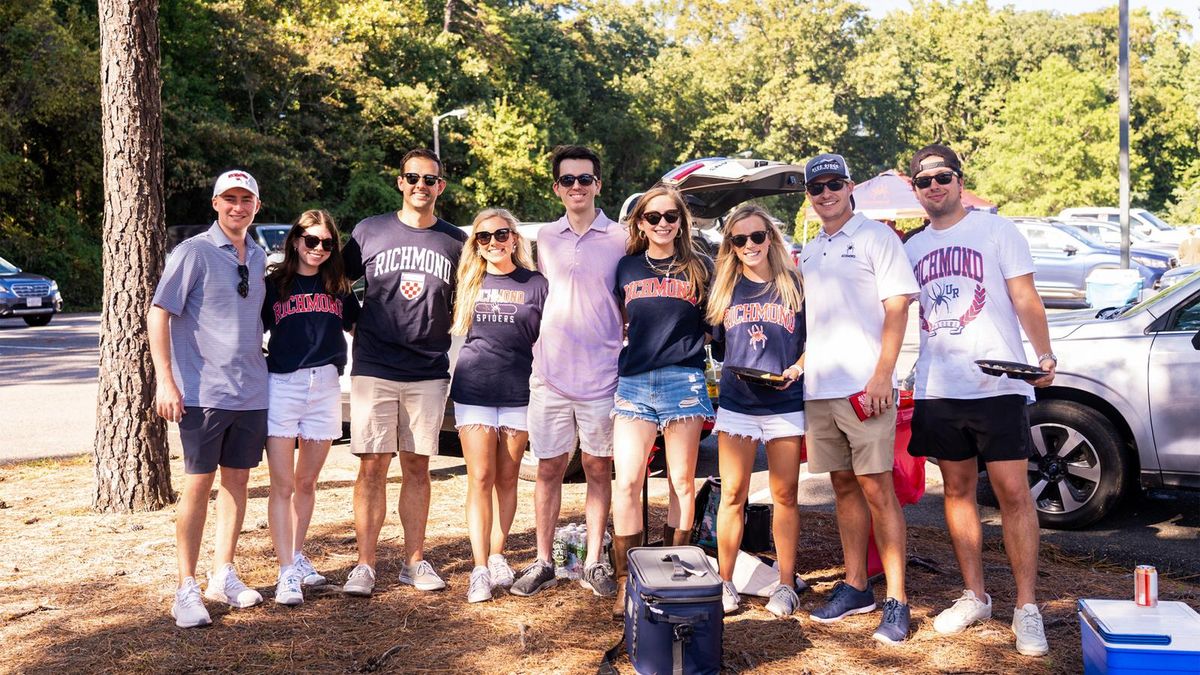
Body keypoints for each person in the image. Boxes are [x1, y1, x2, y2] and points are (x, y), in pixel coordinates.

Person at [904, 144, 1055, 657]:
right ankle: (975, 595)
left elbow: (1025, 297)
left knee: (1014, 492)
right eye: (924, 182)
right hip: (940, 386)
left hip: (997, 381)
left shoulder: (997, 230)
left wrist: (1045, 354)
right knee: (956, 491)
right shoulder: (911, 249)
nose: (934, 187)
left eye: (942, 177)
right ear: (915, 190)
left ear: (959, 180)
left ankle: (1027, 607)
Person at [799, 153, 919, 644]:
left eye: (833, 184)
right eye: (816, 187)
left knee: (878, 490)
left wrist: (882, 376)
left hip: (864, 389)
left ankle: (897, 599)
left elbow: (897, 309)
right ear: (809, 196)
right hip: (821, 389)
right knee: (844, 488)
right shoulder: (809, 250)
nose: (825, 193)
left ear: (850, 187)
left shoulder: (876, 238)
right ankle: (855, 587)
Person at [340, 149, 468, 597]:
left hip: (428, 369)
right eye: (412, 177)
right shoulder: (369, 230)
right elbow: (337, 282)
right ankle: (365, 565)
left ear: (440, 187)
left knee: (417, 466)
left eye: (429, 179)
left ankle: (414, 561)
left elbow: (467, 299)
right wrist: (353, 321)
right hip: (374, 365)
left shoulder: (455, 241)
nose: (420, 185)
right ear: (400, 182)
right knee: (372, 464)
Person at [150, 169, 270, 627]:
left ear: (256, 206)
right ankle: (186, 587)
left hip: (251, 391)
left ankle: (223, 573)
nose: (238, 206)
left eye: (246, 199)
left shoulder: (258, 256)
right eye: (229, 198)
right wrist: (166, 380)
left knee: (237, 484)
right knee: (198, 485)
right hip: (202, 392)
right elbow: (158, 313)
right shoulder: (193, 252)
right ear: (216, 204)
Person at [510, 146, 626, 601]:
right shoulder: (544, 237)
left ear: (598, 184)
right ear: (556, 188)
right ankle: (543, 561)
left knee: (599, 470)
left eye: (585, 179)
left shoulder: (620, 237)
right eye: (567, 180)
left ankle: (595, 560)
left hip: (603, 376)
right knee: (548, 470)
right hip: (550, 375)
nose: (576, 187)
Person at [609, 186, 715, 617]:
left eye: (671, 216)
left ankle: (674, 576)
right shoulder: (626, 267)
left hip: (683, 383)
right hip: (633, 383)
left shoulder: (699, 266)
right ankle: (625, 581)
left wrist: (683, 348)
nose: (663, 224)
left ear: (681, 220)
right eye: (653, 217)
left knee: (681, 483)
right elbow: (619, 321)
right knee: (627, 482)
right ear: (639, 223)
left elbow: (713, 323)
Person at [707, 205, 806, 617]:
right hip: (738, 403)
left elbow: (814, 340)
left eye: (757, 237)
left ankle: (785, 585)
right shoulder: (724, 289)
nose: (750, 246)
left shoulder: (794, 285)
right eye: (739, 239)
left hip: (784, 402)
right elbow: (717, 347)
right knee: (732, 494)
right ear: (730, 245)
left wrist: (798, 367)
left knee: (785, 495)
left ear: (771, 238)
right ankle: (725, 582)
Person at [449, 209, 548, 603]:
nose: (493, 243)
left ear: (514, 237)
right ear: (476, 244)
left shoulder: (537, 283)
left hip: (518, 392)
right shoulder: (468, 281)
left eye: (501, 234)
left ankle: (497, 554)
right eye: (483, 238)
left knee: (508, 479)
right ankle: (478, 569)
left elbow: (549, 338)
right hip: (474, 388)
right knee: (481, 478)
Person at [261, 210, 359, 606]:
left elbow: (359, 326)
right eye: (311, 240)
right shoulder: (275, 284)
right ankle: (285, 572)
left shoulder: (338, 286)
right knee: (282, 485)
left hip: (326, 384)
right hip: (283, 384)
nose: (318, 249)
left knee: (307, 483)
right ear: (296, 240)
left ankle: (296, 556)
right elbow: (250, 330)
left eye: (327, 243)